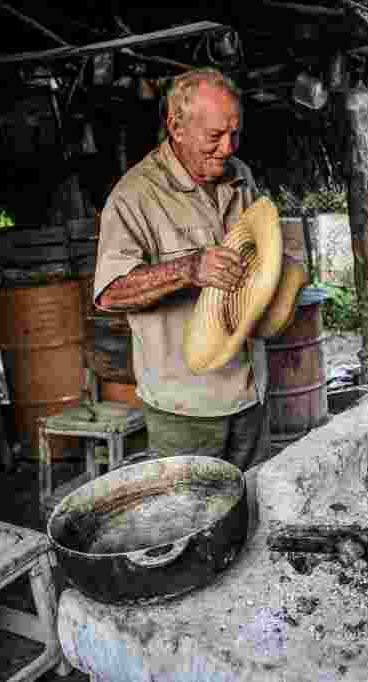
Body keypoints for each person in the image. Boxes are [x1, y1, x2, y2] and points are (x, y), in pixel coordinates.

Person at [93, 67, 270, 470]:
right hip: (186, 407)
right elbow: (109, 293)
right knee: (195, 522)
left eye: (234, 134)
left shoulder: (241, 176)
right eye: (214, 136)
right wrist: (188, 269)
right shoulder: (135, 195)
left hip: (252, 389)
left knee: (258, 506)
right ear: (176, 126)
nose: (228, 148)